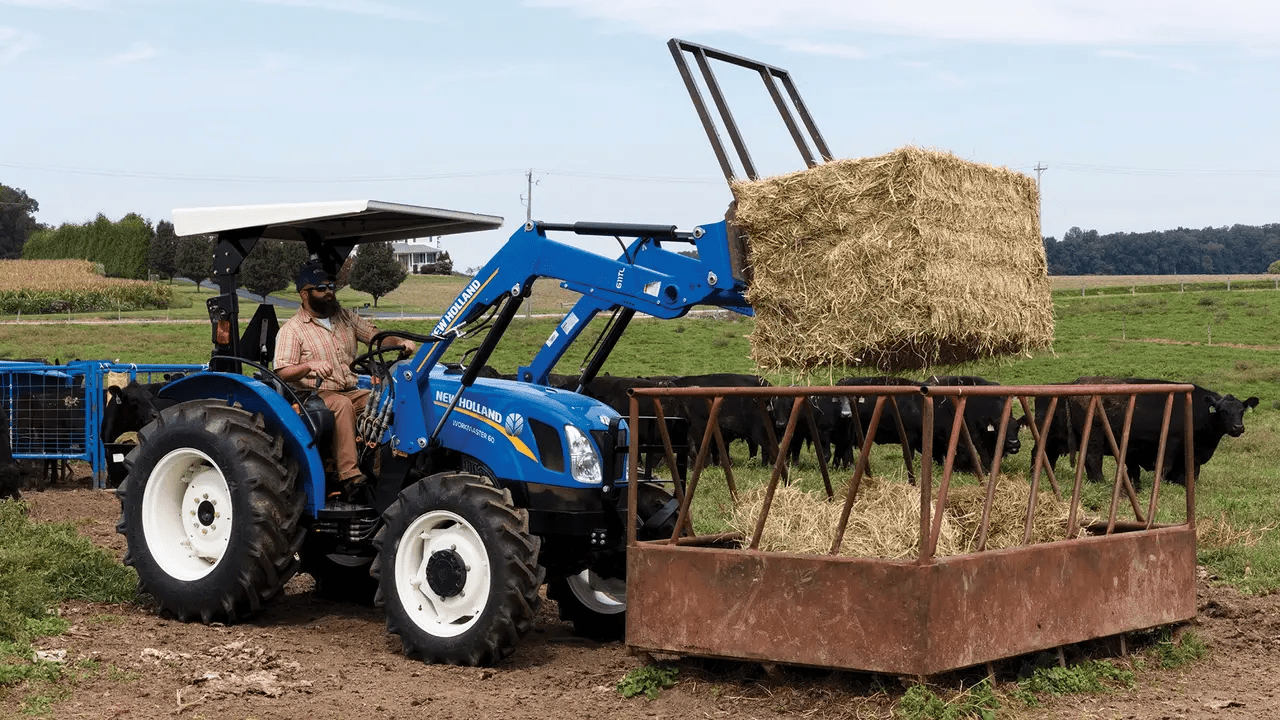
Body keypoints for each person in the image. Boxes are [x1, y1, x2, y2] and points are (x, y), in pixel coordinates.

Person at [274, 260, 415, 497]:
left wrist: (400, 342)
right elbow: (282, 371)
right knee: (342, 405)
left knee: (385, 400)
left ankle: (383, 468)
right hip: (312, 395)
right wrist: (309, 365)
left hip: (349, 388)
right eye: (321, 288)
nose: (329, 292)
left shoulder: (345, 318)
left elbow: (376, 337)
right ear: (304, 294)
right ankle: (349, 476)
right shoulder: (292, 329)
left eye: (331, 287)